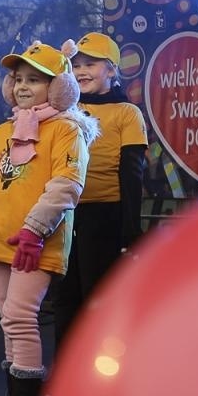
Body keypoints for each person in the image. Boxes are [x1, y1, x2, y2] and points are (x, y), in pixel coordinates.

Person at [0, 41, 98, 396]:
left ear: (59, 88)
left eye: (34, 80)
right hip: (1, 240)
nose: (22, 86)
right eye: (18, 79)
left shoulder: (67, 131)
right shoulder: (6, 130)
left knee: (20, 316)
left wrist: (33, 231)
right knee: (7, 315)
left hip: (36, 242)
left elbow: (66, 186)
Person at [47, 32, 148, 349]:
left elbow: (132, 174)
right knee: (64, 298)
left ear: (112, 70)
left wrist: (130, 231)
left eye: (90, 64)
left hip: (104, 215)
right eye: (75, 65)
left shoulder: (126, 113)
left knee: (98, 297)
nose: (81, 72)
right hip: (64, 215)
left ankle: (98, 371)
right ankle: (63, 374)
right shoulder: (63, 110)